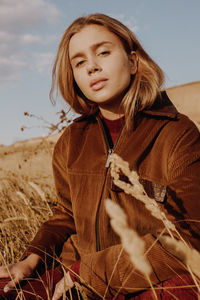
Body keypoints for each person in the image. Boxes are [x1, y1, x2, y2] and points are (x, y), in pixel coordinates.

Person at [0, 13, 199, 300]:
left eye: (103, 52)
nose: (92, 66)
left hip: (147, 278)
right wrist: (31, 260)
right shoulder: (72, 141)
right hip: (74, 275)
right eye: (79, 62)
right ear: (75, 77)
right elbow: (65, 216)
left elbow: (189, 235)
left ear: (132, 61)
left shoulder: (178, 134)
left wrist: (89, 273)